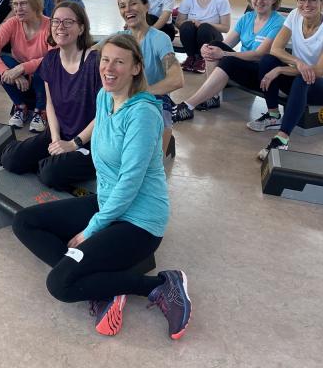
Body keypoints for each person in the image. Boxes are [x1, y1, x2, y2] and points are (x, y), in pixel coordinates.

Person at [12, 34, 191, 340]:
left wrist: (92, 229)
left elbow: (130, 182)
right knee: (24, 221)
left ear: (136, 68)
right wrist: (73, 144)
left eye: (119, 62)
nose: (109, 68)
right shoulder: (105, 97)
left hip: (139, 222)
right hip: (107, 202)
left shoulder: (143, 114)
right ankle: (98, 281)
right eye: (105, 60)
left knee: (59, 284)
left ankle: (161, 285)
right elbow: (100, 144)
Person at [0, 1, 100, 190]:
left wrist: (74, 144)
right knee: (11, 159)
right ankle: (48, 159)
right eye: (56, 21)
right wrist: (55, 139)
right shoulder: (50, 59)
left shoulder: (96, 63)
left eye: (68, 22)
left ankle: (57, 163)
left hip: (91, 142)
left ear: (81, 28)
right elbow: (50, 104)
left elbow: (106, 113)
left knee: (49, 173)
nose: (60, 27)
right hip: (59, 132)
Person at [252, 0, 323, 160]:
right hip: (299, 76)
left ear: (322, 2)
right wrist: (297, 62)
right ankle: (273, 116)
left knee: (304, 78)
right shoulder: (294, 15)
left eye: (313, 0)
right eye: (302, 0)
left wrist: (281, 69)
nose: (306, 4)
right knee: (267, 60)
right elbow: (275, 49)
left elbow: (318, 72)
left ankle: (282, 139)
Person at [172, 0, 285, 122]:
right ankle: (212, 97)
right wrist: (208, 49)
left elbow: (259, 55)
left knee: (227, 60)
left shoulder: (278, 22)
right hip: (244, 65)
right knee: (214, 45)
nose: (259, 1)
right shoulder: (247, 18)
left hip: (262, 72)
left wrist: (224, 54)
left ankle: (188, 105)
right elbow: (226, 43)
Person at [118, 0, 183, 154]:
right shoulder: (120, 38)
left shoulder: (160, 39)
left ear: (146, 6)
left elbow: (177, 79)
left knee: (149, 160)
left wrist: (142, 92)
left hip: (154, 99)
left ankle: (164, 143)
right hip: (125, 98)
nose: (127, 9)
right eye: (122, 6)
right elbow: (90, 53)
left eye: (133, 3)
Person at [0, 0, 52, 133]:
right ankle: (20, 107)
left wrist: (21, 68)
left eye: (23, 3)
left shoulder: (49, 26)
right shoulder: (12, 23)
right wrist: (7, 71)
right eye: (15, 4)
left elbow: (54, 58)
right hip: (22, 81)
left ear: (35, 4)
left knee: (45, 66)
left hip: (44, 81)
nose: (18, 9)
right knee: (3, 62)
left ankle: (41, 111)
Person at [176, 0, 231, 73]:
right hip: (192, 36)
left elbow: (226, 28)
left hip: (212, 36)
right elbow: (178, 23)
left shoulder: (221, 0)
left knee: (204, 28)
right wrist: (191, 23)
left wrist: (203, 24)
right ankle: (191, 57)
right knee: (187, 26)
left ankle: (203, 59)